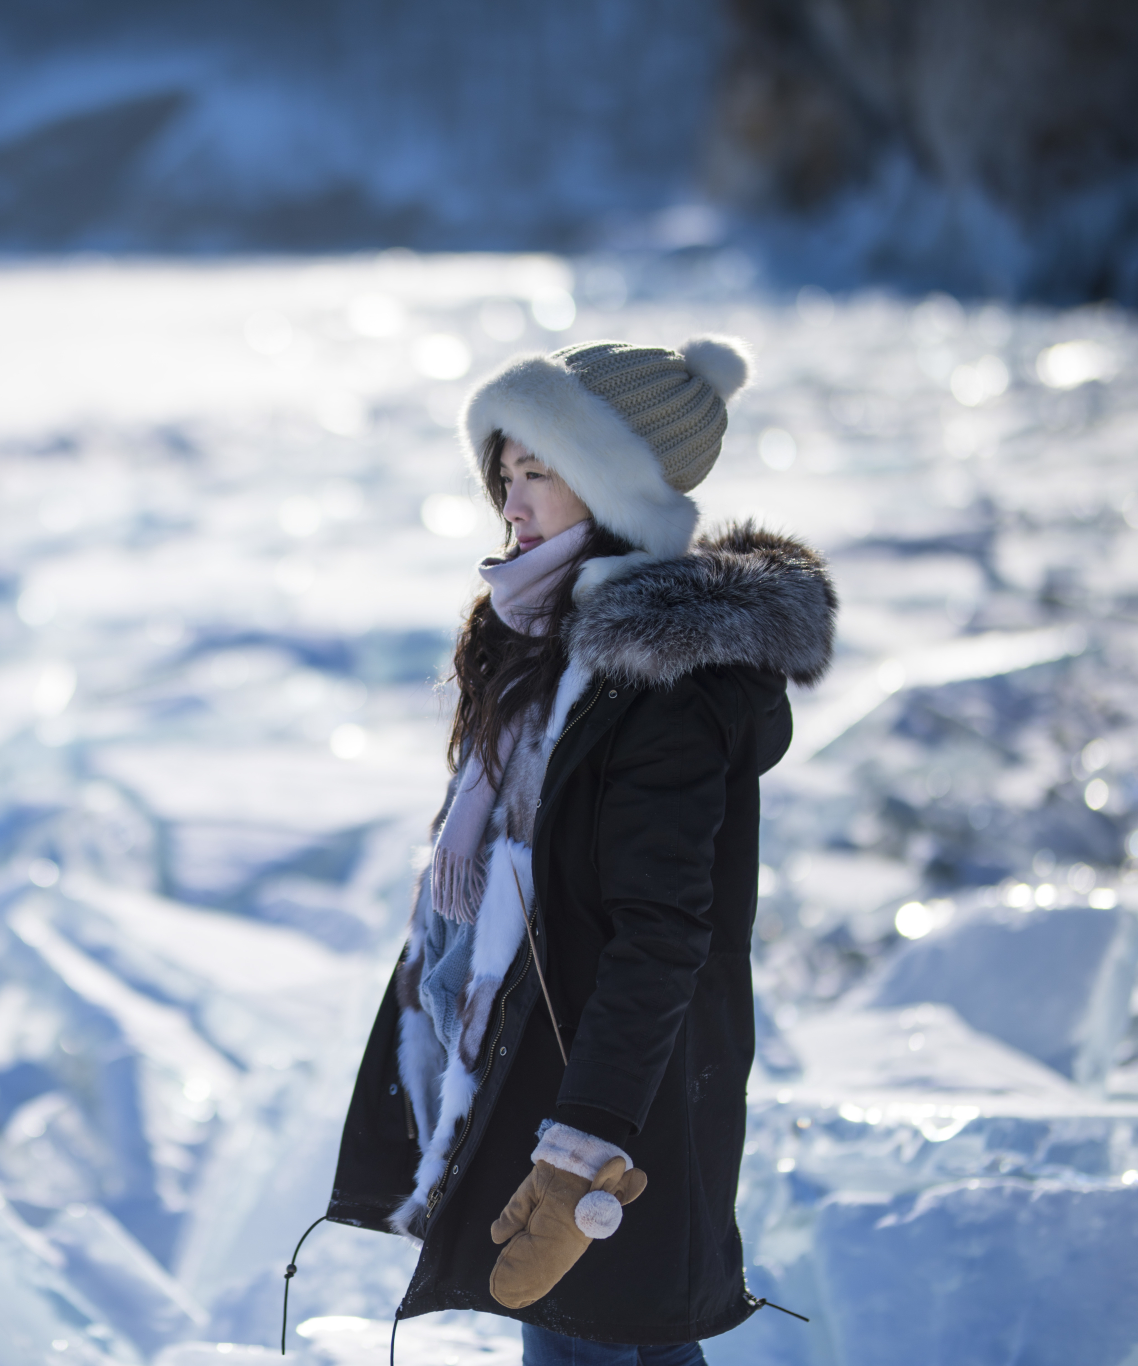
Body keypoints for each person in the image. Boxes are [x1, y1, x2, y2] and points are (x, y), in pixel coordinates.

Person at [319, 337, 836, 1362]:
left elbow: (660, 934)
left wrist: (580, 1142)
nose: (508, 503)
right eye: (502, 474)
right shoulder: (537, 651)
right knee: (579, 1340)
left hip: (610, 1107)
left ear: (607, 486)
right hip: (549, 1085)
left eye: (537, 473)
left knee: (600, 1337)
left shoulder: (663, 682)